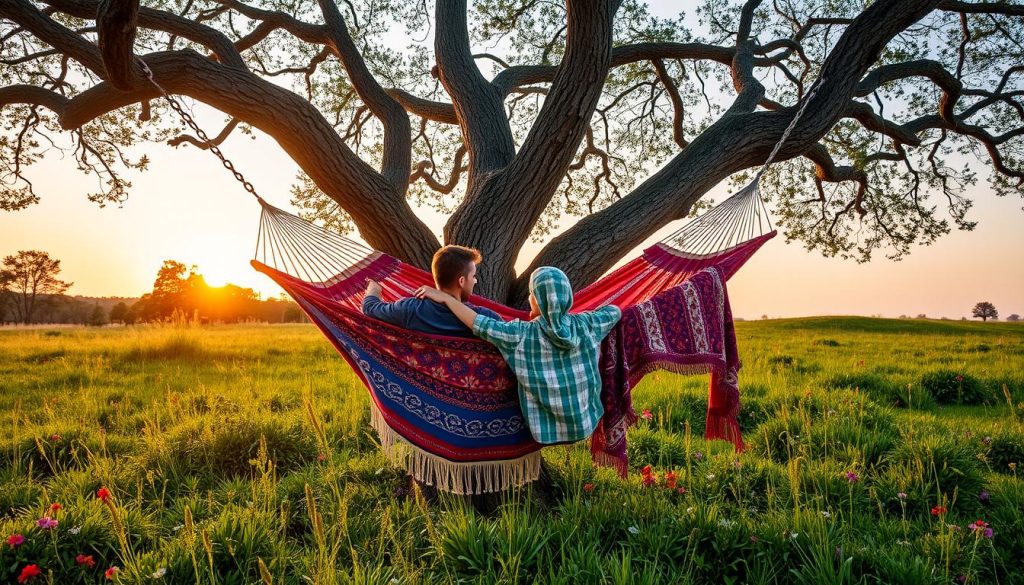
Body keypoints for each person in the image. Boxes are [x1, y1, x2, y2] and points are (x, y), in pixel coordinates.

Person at [415, 266, 621, 444]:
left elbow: (479, 323)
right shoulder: (587, 324)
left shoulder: (521, 334)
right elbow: (614, 311)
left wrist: (447, 300)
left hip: (547, 431)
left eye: (532, 294)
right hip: (586, 421)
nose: (528, 298)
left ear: (538, 300)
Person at [362, 245, 501, 337]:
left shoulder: (411, 309)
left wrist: (374, 288)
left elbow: (370, 309)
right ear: (462, 281)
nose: (475, 281)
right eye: (473, 276)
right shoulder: (485, 318)